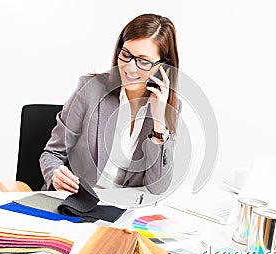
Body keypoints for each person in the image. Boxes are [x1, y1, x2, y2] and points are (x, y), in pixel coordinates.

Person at [39, 13, 181, 195]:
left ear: (164, 68)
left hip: (123, 212)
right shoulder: (89, 90)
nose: (130, 67)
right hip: (75, 203)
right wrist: (55, 175)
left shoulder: (169, 108)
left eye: (143, 61)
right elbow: (52, 154)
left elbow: (157, 187)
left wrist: (159, 123)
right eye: (126, 54)